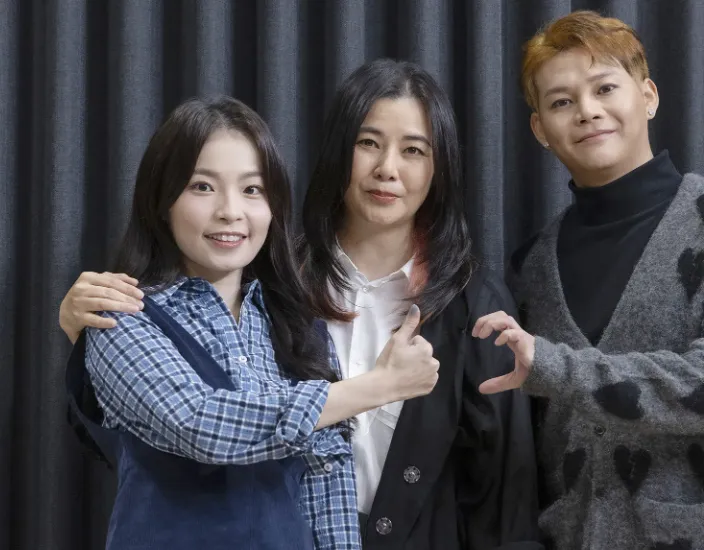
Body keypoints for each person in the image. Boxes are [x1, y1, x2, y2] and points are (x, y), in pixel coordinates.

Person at [62, 61, 541, 549]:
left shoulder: (471, 302)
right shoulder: (282, 290)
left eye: (413, 150)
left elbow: (500, 490)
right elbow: (186, 424)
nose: (387, 168)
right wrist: (83, 335)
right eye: (368, 142)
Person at [473, 10, 704, 550]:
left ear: (648, 96)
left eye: (605, 88)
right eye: (561, 102)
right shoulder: (530, 267)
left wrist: (558, 367)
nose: (587, 111)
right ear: (540, 130)